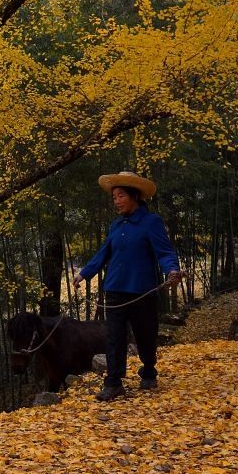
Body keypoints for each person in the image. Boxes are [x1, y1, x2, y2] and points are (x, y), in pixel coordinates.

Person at [73, 171, 183, 401]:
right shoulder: (116, 225)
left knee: (145, 334)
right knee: (114, 337)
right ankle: (113, 382)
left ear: (134, 196)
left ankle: (149, 370)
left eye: (121, 196)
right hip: (114, 289)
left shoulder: (151, 222)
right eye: (114, 197)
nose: (116, 201)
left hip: (141, 290)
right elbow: (104, 253)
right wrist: (84, 273)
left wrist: (172, 270)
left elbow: (164, 252)